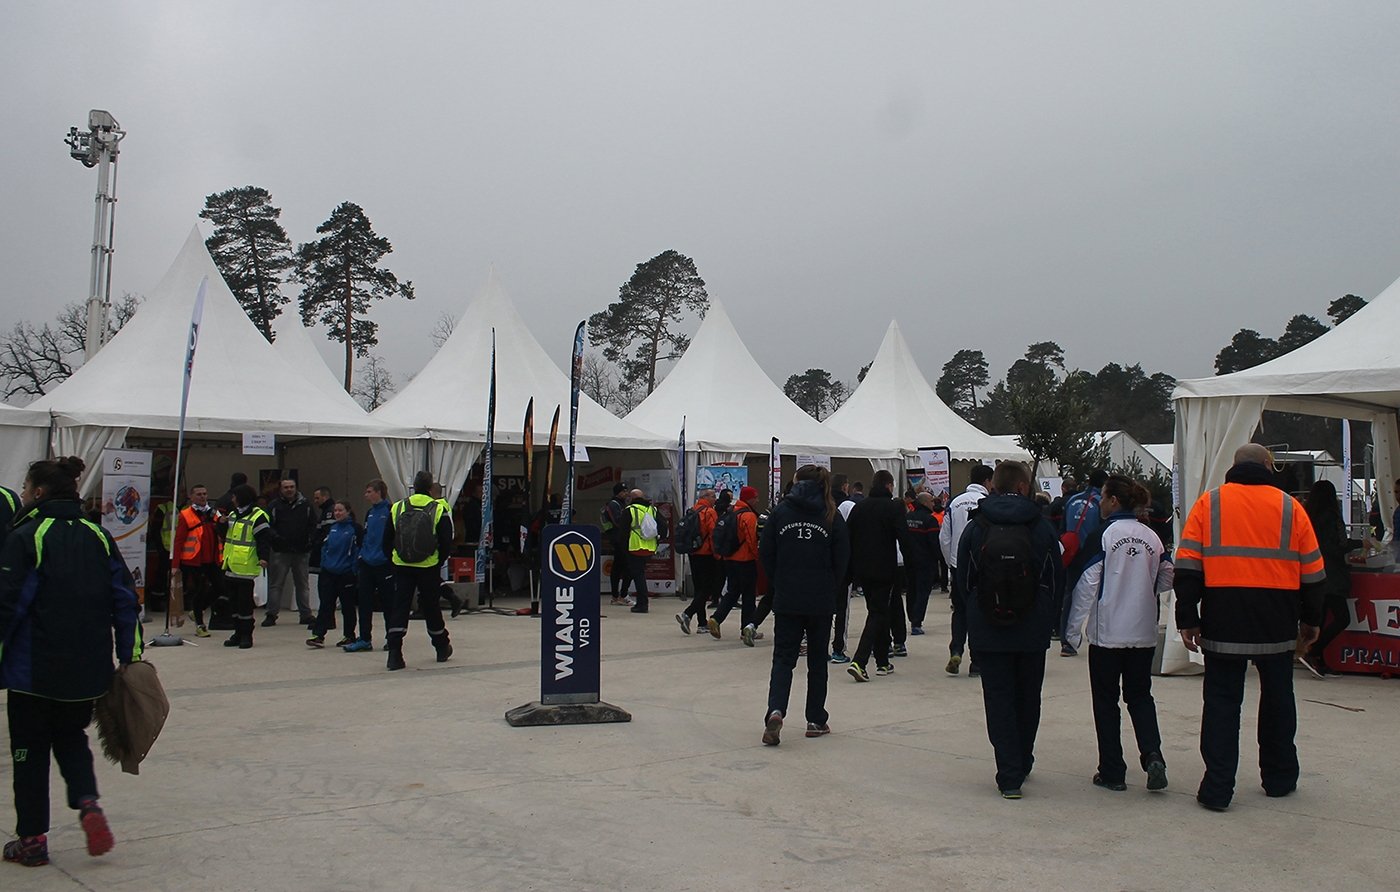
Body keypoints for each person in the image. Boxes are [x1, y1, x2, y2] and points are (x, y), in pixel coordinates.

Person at [1175, 443, 1325, 812]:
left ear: (1234, 466)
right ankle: (1279, 778)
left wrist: (1187, 618)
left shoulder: (1209, 504)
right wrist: (1311, 620)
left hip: (1224, 619)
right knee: (1277, 701)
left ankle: (1217, 788)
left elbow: (1188, 568)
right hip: (1276, 621)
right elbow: (1314, 574)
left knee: (1222, 704)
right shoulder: (1291, 507)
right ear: (1267, 465)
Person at [0, 457, 135, 867]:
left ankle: (32, 840)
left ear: (38, 493)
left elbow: (9, 608)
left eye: (25, 488)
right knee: (72, 739)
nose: (21, 495)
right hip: (88, 672)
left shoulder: (26, 536)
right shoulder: (99, 534)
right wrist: (129, 656)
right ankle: (88, 803)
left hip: (33, 671)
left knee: (29, 752)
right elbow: (126, 600)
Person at [956, 461, 1064, 799]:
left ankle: (1008, 774)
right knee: (1028, 697)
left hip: (988, 626)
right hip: (1032, 627)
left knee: (999, 698)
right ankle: (1024, 758)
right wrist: (1049, 618)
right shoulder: (1041, 526)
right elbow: (1056, 578)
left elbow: (963, 581)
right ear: (1021, 487)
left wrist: (976, 614)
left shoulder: (977, 525)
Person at [1063, 475, 1174, 793]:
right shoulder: (1150, 536)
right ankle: (1153, 753)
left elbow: (1085, 586)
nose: (1099, 503)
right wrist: (1145, 586)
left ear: (1113, 501)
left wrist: (1073, 632)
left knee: (1106, 701)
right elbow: (1168, 575)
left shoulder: (1103, 534)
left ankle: (1112, 770)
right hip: (1143, 631)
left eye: (1103, 498)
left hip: (1107, 633)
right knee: (1140, 697)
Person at [758, 465, 850, 745]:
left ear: (796, 482)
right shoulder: (830, 513)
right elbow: (842, 558)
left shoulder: (781, 512)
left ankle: (775, 710)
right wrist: (829, 586)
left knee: (783, 659)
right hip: (820, 599)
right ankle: (815, 718)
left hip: (787, 598)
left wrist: (780, 582)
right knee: (817, 661)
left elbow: (766, 553)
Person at [382, 470, 455, 670]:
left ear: (413, 486)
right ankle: (441, 647)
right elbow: (447, 541)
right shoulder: (438, 509)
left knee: (400, 607)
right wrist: (438, 562)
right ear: (432, 487)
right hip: (428, 565)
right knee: (431, 607)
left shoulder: (397, 507)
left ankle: (395, 653)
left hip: (402, 565)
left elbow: (386, 540)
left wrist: (394, 561)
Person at [845, 470, 907, 681]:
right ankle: (860, 660)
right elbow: (903, 538)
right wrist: (911, 566)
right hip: (885, 569)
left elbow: (848, 537)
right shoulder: (893, 507)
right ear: (889, 486)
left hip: (862, 569)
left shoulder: (859, 507)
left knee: (877, 610)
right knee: (878, 613)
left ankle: (882, 661)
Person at [1298, 479, 1360, 678]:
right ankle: (1314, 654)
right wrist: (1357, 543)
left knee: (1320, 619)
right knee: (1343, 618)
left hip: (1312, 573)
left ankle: (1319, 660)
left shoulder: (1308, 517)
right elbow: (1337, 546)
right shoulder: (1332, 517)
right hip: (1332, 575)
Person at [940, 463, 993, 676]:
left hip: (958, 564)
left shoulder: (955, 503)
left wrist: (950, 562)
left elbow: (944, 537)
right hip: (981, 565)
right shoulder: (988, 503)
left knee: (960, 610)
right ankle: (977, 661)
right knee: (980, 612)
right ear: (987, 482)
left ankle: (956, 649)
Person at [1060, 469, 1108, 656]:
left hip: (1071, 552)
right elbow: (1102, 531)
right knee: (1095, 595)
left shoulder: (1072, 500)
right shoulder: (1100, 503)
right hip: (1091, 555)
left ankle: (1066, 640)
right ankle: (1099, 635)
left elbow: (1063, 527)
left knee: (1070, 594)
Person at [219, 484, 272, 649]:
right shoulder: (233, 514)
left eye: (234, 497)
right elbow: (223, 534)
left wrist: (264, 557)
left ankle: (246, 635)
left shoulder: (258, 516)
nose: (232, 500)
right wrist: (220, 523)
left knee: (245, 604)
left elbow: (264, 539)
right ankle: (237, 632)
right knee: (233, 604)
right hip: (231, 565)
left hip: (246, 568)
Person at [169, 483, 224, 638]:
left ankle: (197, 611)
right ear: (191, 497)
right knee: (199, 590)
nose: (203, 497)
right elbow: (179, 540)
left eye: (205, 494)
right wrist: (175, 565)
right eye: (199, 494)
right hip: (194, 560)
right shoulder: (185, 515)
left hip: (213, 558)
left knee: (219, 587)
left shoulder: (215, 513)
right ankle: (200, 624)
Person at [307, 501, 363, 648]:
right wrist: (324, 564)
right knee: (325, 604)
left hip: (346, 573)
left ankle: (349, 636)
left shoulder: (355, 529)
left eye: (340, 510)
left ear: (348, 512)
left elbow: (359, 549)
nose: (337, 513)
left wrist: (354, 569)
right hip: (329, 572)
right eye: (335, 511)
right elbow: (325, 547)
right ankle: (318, 635)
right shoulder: (332, 529)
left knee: (347, 607)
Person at [346, 479, 394, 653]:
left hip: (384, 564)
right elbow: (366, 536)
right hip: (367, 563)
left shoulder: (391, 511)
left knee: (388, 603)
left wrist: (389, 557)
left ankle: (392, 638)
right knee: (364, 602)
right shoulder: (369, 513)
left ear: (378, 492)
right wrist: (361, 556)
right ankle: (364, 638)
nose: (366, 496)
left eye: (369, 492)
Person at [708, 486, 760, 637]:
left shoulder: (730, 512)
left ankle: (716, 618)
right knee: (749, 596)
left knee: (732, 591)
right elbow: (752, 539)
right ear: (749, 499)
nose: (757, 500)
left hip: (729, 558)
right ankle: (746, 629)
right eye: (755, 497)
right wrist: (757, 555)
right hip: (745, 559)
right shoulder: (748, 516)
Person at [264, 478, 317, 626]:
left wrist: (310, 541)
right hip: (280, 551)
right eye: (286, 487)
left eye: (291, 487)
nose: (289, 490)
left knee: (302, 585)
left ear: (296, 488)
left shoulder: (306, 505)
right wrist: (275, 538)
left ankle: (306, 614)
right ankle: (271, 614)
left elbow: (313, 524)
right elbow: (266, 526)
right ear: (280, 489)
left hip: (301, 551)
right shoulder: (274, 506)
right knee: (276, 584)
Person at [676, 488, 720, 634]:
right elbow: (714, 535)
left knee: (699, 588)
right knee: (707, 588)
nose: (715, 499)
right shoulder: (709, 512)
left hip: (693, 552)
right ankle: (687, 614)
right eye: (713, 496)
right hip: (706, 553)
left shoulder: (692, 510)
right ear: (706, 497)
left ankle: (702, 623)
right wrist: (717, 554)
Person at [903, 492, 941, 636]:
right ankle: (917, 623)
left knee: (911, 590)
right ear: (925, 503)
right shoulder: (929, 520)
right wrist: (938, 557)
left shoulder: (907, 518)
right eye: (931, 501)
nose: (933, 504)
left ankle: (912, 616)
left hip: (909, 560)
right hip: (925, 561)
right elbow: (933, 542)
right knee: (923, 591)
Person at [829, 475, 857, 662]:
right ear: (845, 487)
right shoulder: (848, 506)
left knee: (822, 610)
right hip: (843, 565)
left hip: (823, 564)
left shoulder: (824, 506)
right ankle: (839, 648)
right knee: (841, 609)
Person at [624, 489, 659, 613]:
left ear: (632, 498)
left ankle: (642, 604)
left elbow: (623, 532)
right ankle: (641, 602)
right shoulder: (652, 509)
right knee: (640, 575)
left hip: (634, 547)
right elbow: (663, 527)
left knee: (639, 577)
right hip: (650, 548)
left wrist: (623, 549)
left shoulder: (630, 510)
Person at [602, 484, 632, 606]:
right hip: (619, 539)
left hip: (623, 539)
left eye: (627, 491)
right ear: (617, 493)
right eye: (623, 491)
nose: (626, 493)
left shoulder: (623, 504)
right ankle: (621, 595)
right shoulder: (613, 505)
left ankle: (617, 595)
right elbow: (618, 521)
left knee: (619, 567)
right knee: (625, 567)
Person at [308, 487, 335, 571]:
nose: (315, 501)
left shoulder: (330, 512)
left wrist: (316, 546)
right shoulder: (325, 511)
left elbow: (326, 533)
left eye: (317, 498)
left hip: (324, 552)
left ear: (325, 497)